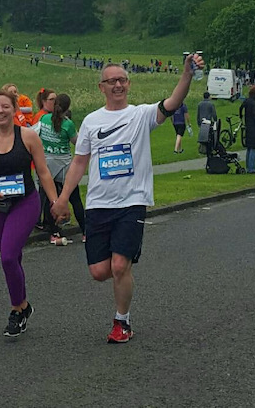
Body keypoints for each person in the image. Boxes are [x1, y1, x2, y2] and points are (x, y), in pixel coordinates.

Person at [52, 53, 204, 344]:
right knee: (99, 272)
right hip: (99, 204)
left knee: (120, 265)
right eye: (112, 81)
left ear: (128, 84)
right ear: (102, 87)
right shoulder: (91, 122)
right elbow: (79, 163)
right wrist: (62, 198)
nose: (118, 85)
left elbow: (173, 102)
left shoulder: (141, 114)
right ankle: (123, 269)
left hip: (132, 201)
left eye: (122, 80)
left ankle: (122, 321)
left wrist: (186, 73)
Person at [0, 90, 61, 337]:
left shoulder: (28, 137)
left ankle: (16, 310)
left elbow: (43, 172)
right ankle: (24, 306)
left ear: (14, 108)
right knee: (13, 257)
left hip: (25, 203)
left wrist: (55, 202)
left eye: (5, 107)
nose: (0, 111)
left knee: (7, 257)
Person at [33, 92, 86, 245]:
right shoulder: (68, 124)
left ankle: (54, 233)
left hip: (47, 165)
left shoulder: (44, 119)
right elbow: (78, 143)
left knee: (51, 200)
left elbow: (36, 135)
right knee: (75, 199)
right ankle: (85, 231)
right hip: (64, 166)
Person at [240, 85, 255, 174]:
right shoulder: (254, 103)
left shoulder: (247, 101)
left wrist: (242, 118)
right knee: (254, 148)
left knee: (249, 148)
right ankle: (252, 168)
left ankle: (248, 166)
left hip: (248, 126)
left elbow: (241, 108)